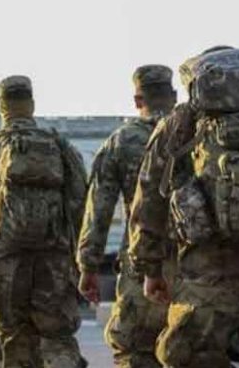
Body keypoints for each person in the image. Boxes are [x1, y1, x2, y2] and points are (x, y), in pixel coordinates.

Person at [129, 47, 239, 368]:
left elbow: (149, 199)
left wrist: (150, 268)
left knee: (190, 355)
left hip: (209, 271)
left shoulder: (183, 123)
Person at [0, 75, 89, 368]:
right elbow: (81, 203)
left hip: (6, 260)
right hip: (53, 258)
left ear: (2, 107)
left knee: (15, 339)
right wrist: (80, 258)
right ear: (32, 104)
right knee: (58, 337)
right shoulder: (59, 145)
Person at [77, 65, 177, 368]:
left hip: (142, 258)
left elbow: (99, 209)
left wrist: (88, 265)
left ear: (137, 100)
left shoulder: (122, 141)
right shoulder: (197, 132)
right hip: (197, 261)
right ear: (173, 96)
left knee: (134, 348)